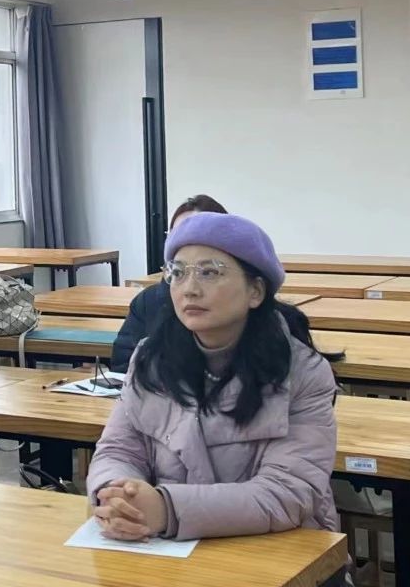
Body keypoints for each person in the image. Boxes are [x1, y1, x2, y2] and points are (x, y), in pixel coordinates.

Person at [86, 213, 343, 543]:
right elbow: (117, 451)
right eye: (178, 273)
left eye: (209, 272)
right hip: (169, 548)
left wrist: (166, 509)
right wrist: (118, 494)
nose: (190, 289)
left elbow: (287, 493)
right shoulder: (151, 358)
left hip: (278, 548)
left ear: (255, 291)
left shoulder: (304, 372)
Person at [110, 194, 228, 372]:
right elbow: (122, 366)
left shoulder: (234, 300)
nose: (184, 243)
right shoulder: (148, 302)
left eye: (196, 234)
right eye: (176, 235)